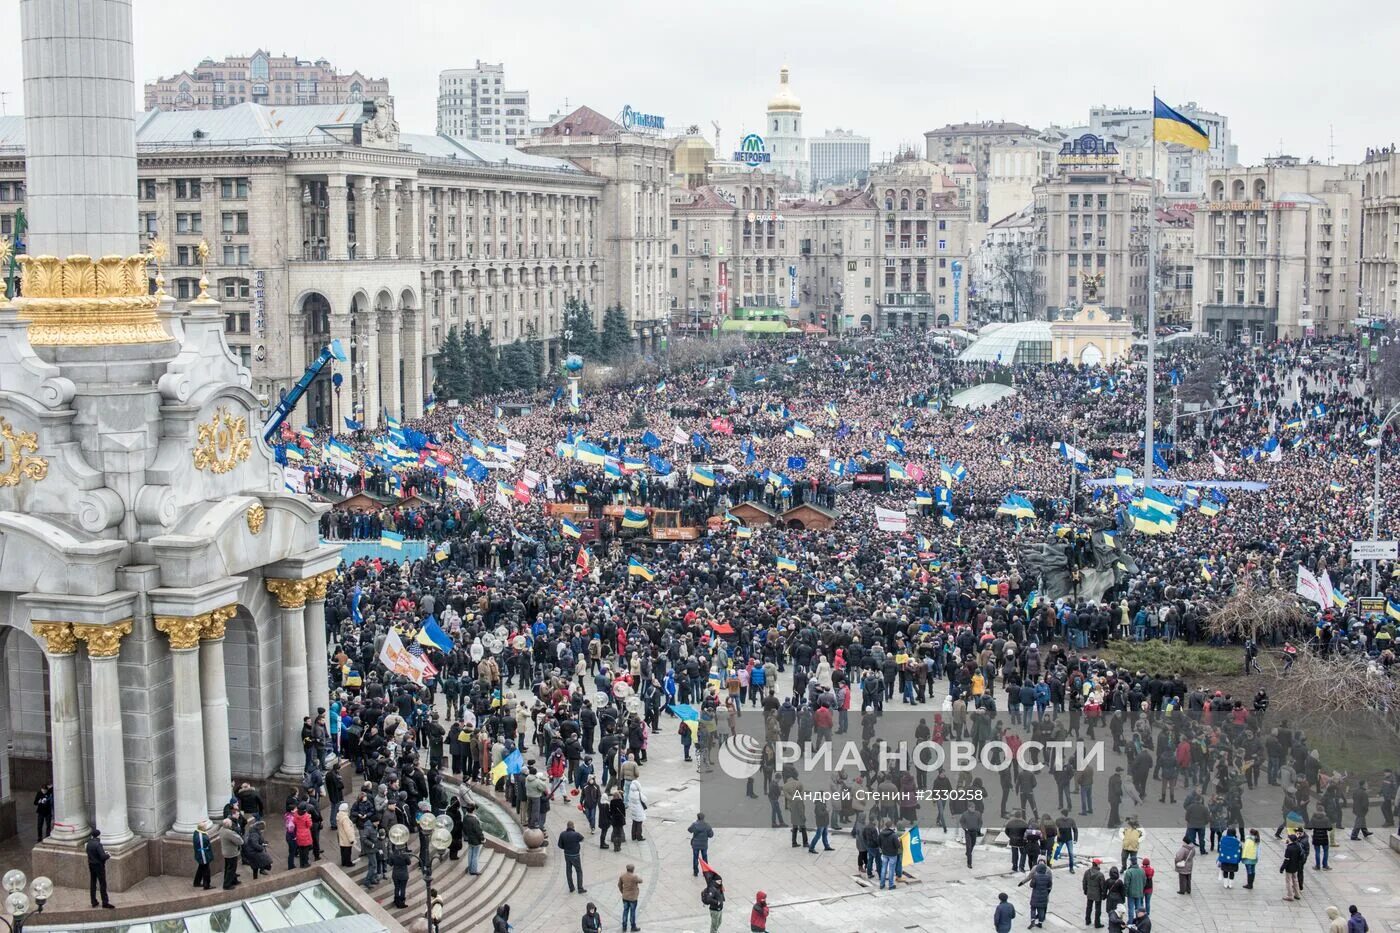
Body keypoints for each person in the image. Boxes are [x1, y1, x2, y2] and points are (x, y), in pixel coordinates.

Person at [1018, 857, 1052, 928]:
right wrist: (1047, 891)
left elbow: (1031, 884)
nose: (1041, 862)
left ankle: (1033, 921)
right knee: (1042, 908)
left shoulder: (1036, 875)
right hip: (1044, 894)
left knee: (1033, 908)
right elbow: (1050, 884)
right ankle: (1040, 922)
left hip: (1035, 895)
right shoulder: (1048, 873)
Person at [86, 828, 114, 909]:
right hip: (99, 866)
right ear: (99, 835)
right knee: (102, 884)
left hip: (91, 865)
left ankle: (93, 901)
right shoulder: (98, 844)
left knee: (93, 883)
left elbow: (89, 853)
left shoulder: (89, 843)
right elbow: (102, 856)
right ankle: (105, 902)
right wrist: (108, 855)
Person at [559, 820, 586, 894]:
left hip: (567, 855)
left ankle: (571, 887)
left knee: (568, 871)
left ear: (567, 827)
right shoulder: (576, 834)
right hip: (575, 855)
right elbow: (583, 839)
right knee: (579, 871)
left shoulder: (562, 834)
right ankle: (580, 888)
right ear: (573, 826)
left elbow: (560, 845)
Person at [219, 818, 243, 890]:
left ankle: (233, 880)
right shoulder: (229, 833)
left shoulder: (221, 829)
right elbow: (240, 841)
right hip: (231, 853)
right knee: (231, 869)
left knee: (228, 867)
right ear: (229, 825)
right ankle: (227, 884)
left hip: (226, 852)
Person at [688, 812, 714, 876]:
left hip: (695, 844)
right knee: (704, 858)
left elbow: (689, 830)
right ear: (703, 818)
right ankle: (706, 872)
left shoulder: (694, 824)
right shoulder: (707, 825)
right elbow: (711, 835)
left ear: (698, 817)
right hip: (704, 845)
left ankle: (695, 872)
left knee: (695, 858)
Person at [1081, 858, 1106, 928]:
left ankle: (1087, 920)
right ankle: (1097, 923)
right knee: (1098, 909)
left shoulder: (1087, 872)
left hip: (1089, 892)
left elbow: (1084, 882)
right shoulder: (1100, 875)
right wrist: (1103, 894)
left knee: (1089, 907)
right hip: (1097, 894)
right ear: (1097, 865)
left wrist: (1085, 890)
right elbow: (1103, 886)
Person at [618, 864, 642, 932]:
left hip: (625, 897)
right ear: (633, 869)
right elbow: (641, 881)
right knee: (632, 912)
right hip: (633, 898)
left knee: (625, 911)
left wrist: (622, 891)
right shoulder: (634, 877)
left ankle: (624, 926)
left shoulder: (622, 876)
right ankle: (633, 926)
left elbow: (619, 885)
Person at [463, 801, 485, 875]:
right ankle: (473, 870)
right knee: (475, 855)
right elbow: (478, 831)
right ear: (473, 810)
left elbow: (464, 829)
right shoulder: (474, 820)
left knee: (470, 854)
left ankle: (470, 867)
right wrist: (482, 838)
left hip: (469, 839)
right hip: (476, 840)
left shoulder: (465, 818)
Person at [1281, 831, 1305, 901]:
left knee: (1288, 881)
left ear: (1290, 840)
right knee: (1295, 880)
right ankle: (1297, 894)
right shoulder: (1298, 846)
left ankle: (1290, 895)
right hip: (1296, 866)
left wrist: (1282, 868)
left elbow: (1286, 859)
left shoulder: (1289, 848)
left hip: (1289, 867)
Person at [192, 819, 215, 890]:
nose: (206, 827)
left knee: (201, 868)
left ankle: (197, 882)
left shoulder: (197, 832)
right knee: (206, 871)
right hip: (204, 856)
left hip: (202, 856)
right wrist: (205, 860)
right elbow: (202, 850)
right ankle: (207, 885)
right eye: (205, 826)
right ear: (202, 828)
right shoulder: (202, 837)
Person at [389, 843, 411, 909]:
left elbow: (390, 864)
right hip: (404, 874)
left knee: (397, 887)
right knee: (402, 888)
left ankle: (396, 900)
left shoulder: (393, 855)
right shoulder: (405, 855)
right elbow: (409, 863)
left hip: (395, 874)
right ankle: (401, 902)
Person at [336, 802, 356, 867]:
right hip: (346, 837)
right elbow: (348, 830)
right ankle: (348, 863)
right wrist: (351, 839)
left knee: (343, 850)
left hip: (341, 836)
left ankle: (344, 862)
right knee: (348, 851)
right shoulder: (345, 818)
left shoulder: (339, 816)